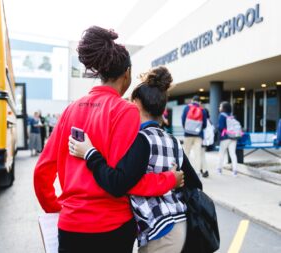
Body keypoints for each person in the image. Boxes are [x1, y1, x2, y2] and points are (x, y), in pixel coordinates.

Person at [33, 26, 183, 253]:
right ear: (127, 74)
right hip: (113, 226)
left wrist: (57, 208)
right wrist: (169, 180)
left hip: (70, 224)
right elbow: (125, 180)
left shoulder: (70, 110)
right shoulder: (126, 111)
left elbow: (42, 171)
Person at [68, 66, 202, 253]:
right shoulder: (172, 140)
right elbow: (195, 184)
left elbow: (121, 182)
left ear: (137, 104)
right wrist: (172, 181)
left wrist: (90, 153)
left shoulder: (141, 140)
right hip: (179, 224)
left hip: (161, 231)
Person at [181, 95, 207, 175]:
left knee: (186, 152)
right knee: (197, 154)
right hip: (198, 135)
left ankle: (184, 171)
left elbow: (183, 120)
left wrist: (187, 128)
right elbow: (205, 125)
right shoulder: (203, 110)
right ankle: (197, 172)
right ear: (200, 102)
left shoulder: (187, 108)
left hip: (187, 134)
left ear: (192, 100)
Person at [217, 101, 238, 176]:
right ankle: (235, 170)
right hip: (233, 137)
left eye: (220, 106)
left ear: (223, 108)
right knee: (233, 153)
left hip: (225, 137)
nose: (219, 108)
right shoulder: (232, 116)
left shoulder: (222, 115)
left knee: (221, 153)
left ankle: (219, 169)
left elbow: (220, 127)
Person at [200, 108, 215, 178]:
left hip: (203, 141)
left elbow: (206, 133)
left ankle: (205, 171)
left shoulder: (205, 121)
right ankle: (201, 169)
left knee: (202, 156)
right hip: (205, 141)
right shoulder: (209, 121)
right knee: (201, 155)